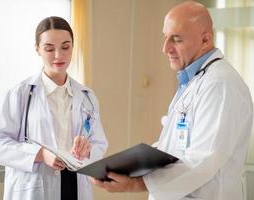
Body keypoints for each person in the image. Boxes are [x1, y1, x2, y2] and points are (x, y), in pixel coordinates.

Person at [91, 1, 253, 200]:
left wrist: (135, 184)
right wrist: (130, 168)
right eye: (165, 37)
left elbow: (202, 160)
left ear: (205, 39)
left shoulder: (221, 85)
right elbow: (175, 147)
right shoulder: (193, 81)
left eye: (176, 39)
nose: (165, 48)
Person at [0, 16, 108, 200]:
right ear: (37, 49)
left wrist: (87, 149)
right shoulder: (19, 94)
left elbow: (99, 143)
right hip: (35, 188)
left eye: (65, 47)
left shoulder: (87, 96)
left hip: (75, 186)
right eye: (49, 48)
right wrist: (40, 154)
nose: (59, 55)